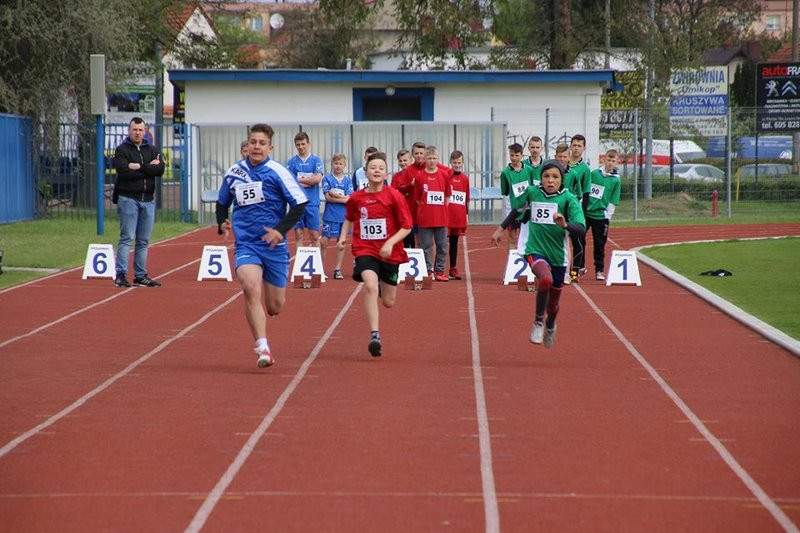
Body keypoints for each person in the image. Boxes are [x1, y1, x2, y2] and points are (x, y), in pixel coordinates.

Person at [216, 123, 308, 368]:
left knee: (275, 306)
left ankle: (270, 313)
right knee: (249, 287)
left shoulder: (278, 171)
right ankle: (262, 347)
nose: (256, 147)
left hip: (274, 247)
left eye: (261, 143)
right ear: (247, 145)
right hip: (247, 243)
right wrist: (221, 222)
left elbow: (300, 204)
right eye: (253, 142)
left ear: (270, 147)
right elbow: (222, 202)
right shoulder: (235, 172)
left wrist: (280, 231)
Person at [491, 160, 585, 348]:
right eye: (546, 176)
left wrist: (565, 224)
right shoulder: (533, 193)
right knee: (545, 280)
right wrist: (500, 229)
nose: (550, 180)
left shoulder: (568, 199)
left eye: (555, 177)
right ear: (540, 178)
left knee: (554, 304)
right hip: (535, 249)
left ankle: (550, 324)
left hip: (558, 255)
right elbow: (517, 210)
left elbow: (581, 228)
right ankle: (538, 322)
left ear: (562, 180)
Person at [337, 152, 412, 357]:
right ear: (366, 172)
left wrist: (389, 242)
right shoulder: (357, 197)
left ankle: (381, 285)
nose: (376, 170)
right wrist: (343, 236)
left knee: (388, 302)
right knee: (369, 286)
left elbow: (407, 227)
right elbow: (349, 217)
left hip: (390, 252)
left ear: (386, 173)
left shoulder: (394, 196)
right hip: (365, 249)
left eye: (381, 168)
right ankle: (375, 335)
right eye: (373, 167)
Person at [112, 116, 165, 288]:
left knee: (143, 240)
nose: (137, 132)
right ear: (129, 130)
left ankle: (140, 275)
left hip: (148, 200)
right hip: (128, 199)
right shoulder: (121, 150)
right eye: (134, 129)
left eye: (140, 130)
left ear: (145, 131)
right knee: (127, 237)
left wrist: (139, 166)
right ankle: (121, 274)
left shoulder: (152, 149)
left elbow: (160, 170)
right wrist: (148, 168)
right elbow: (124, 172)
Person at [414, 145, 452, 281]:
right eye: (429, 158)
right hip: (425, 219)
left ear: (438, 159)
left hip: (441, 218)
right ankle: (428, 270)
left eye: (434, 158)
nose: (431, 161)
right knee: (426, 247)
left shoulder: (444, 175)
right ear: (425, 159)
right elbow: (418, 198)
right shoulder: (419, 176)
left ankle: (440, 271)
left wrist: (439, 208)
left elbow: (448, 196)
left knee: (442, 246)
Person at [586, 149, 621, 280]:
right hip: (587, 213)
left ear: (617, 162)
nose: (610, 163)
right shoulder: (594, 174)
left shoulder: (616, 180)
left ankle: (599, 270)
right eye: (608, 160)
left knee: (599, 244)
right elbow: (586, 190)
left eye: (613, 161)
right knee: (578, 239)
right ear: (603, 160)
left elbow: (613, 200)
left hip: (601, 216)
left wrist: (608, 217)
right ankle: (579, 267)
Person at [286, 132, 324, 249]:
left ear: (308, 144)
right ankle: (300, 264)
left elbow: (317, 179)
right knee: (298, 235)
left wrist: (298, 179)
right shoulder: (292, 162)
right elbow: (290, 182)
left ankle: (317, 264)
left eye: (303, 144)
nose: (301, 147)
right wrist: (309, 180)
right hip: (296, 204)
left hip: (312, 203)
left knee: (314, 235)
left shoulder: (316, 160)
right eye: (298, 145)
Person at [321, 153, 352, 279]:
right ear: (332, 164)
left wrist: (337, 196)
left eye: (340, 164)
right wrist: (342, 198)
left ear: (344, 165)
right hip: (329, 215)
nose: (338, 166)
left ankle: (337, 268)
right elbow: (328, 197)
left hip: (343, 216)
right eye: (336, 163)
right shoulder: (327, 179)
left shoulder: (347, 181)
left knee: (341, 242)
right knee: (324, 242)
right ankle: (320, 268)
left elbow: (349, 199)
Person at [499, 143, 535, 250]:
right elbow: (505, 191)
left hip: (527, 209)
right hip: (513, 209)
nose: (514, 158)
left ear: (522, 155)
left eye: (516, 155)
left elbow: (532, 187)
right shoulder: (505, 173)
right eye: (512, 155)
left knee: (527, 239)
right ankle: (512, 265)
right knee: (512, 239)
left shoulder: (529, 170)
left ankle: (528, 264)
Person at [566, 134, 592, 282]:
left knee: (577, 241)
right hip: (561, 206)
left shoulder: (585, 169)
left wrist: (583, 212)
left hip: (575, 209)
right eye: (574, 145)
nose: (576, 148)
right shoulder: (563, 164)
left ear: (584, 148)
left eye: (579, 146)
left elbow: (586, 192)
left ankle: (575, 272)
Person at [446, 150, 469, 280]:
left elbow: (466, 199)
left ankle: (453, 268)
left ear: (462, 163)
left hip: (458, 216)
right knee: (441, 243)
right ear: (450, 162)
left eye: (459, 162)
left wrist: (466, 214)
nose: (456, 165)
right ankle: (438, 269)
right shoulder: (446, 176)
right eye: (454, 162)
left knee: (454, 242)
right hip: (446, 215)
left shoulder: (465, 178)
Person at [390, 148, 418, 248]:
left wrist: (402, 190)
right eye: (400, 161)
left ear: (411, 160)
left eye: (405, 160)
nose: (403, 163)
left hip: (416, 213)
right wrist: (407, 188)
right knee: (405, 242)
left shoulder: (416, 174)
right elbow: (393, 193)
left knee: (417, 241)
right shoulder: (396, 177)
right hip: (402, 214)